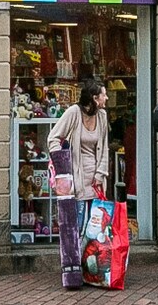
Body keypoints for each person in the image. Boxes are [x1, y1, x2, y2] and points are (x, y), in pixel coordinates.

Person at [47, 78, 112, 290]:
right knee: (77, 226)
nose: (106, 98)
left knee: (93, 229)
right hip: (76, 180)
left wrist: (101, 173)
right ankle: (75, 272)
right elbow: (53, 138)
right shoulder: (74, 113)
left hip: (95, 180)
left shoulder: (102, 116)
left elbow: (104, 148)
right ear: (94, 98)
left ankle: (90, 272)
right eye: (103, 94)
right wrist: (63, 167)